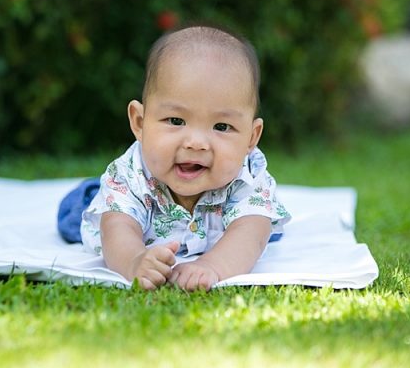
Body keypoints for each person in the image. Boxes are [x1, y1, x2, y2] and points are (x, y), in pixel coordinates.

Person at [58, 25, 291, 291]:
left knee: (262, 231)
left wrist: (211, 266)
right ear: (140, 122)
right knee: (90, 216)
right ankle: (91, 193)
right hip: (114, 212)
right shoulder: (131, 174)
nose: (196, 143)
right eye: (176, 120)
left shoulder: (248, 175)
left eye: (222, 127)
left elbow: (250, 233)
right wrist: (135, 261)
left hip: (214, 232)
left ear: (251, 137)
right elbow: (118, 229)